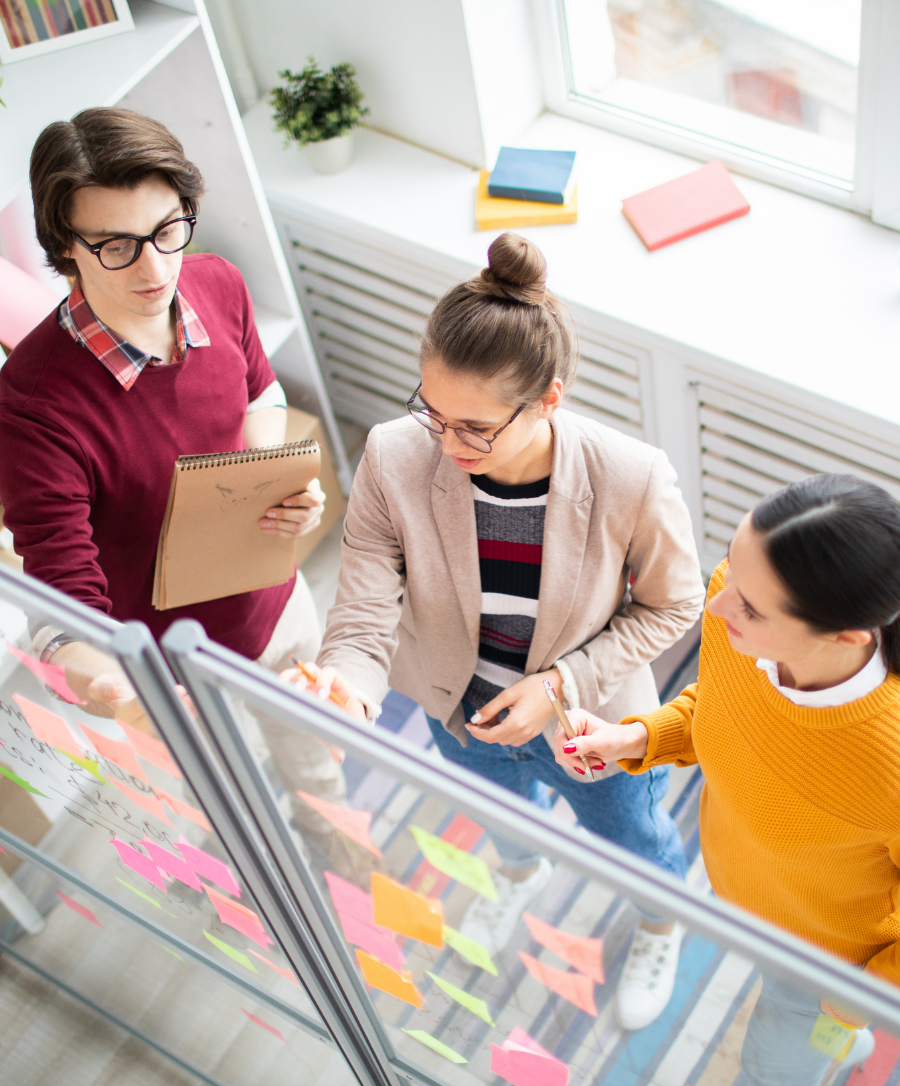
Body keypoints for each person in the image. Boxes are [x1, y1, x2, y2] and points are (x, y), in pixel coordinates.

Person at [292, 233, 706, 1030]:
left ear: (550, 398)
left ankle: (660, 921)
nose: (447, 448)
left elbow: (673, 607)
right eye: (433, 413)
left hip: (592, 730)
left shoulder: (631, 476)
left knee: (637, 843)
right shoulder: (393, 453)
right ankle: (521, 871)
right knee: (503, 818)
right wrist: (345, 679)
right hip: (461, 713)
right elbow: (370, 595)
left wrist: (558, 688)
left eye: (475, 429)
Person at [0, 108, 360, 877]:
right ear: (66, 248)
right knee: (225, 808)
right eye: (116, 245)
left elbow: (259, 395)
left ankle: (334, 848)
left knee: (320, 770)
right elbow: (62, 586)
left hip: (275, 603)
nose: (155, 268)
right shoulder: (30, 402)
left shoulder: (217, 282)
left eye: (169, 229)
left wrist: (281, 487)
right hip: (173, 669)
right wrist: (97, 673)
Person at [554, 473, 900, 1086]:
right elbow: (722, 708)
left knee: (777, 1061)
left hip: (829, 964)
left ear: (845, 636)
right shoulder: (732, 608)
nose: (716, 602)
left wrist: (857, 1000)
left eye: (747, 601)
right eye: (731, 571)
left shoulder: (889, 757)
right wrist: (636, 737)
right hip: (742, 891)